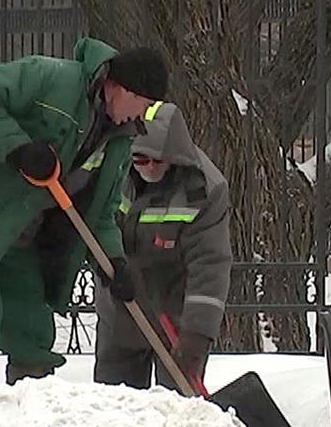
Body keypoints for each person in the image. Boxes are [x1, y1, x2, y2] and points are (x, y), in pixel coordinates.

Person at [0, 37, 169, 385]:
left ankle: (33, 412)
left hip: (25, 229)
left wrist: (115, 263)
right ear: (119, 86)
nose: (141, 115)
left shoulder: (119, 140)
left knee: (32, 332)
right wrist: (18, 149)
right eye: (143, 103)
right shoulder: (52, 79)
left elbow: (101, 211)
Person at [93, 101, 232, 393]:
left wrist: (196, 334)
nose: (151, 167)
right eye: (142, 160)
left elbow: (210, 265)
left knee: (175, 416)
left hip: (176, 320)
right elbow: (94, 226)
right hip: (121, 311)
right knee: (115, 412)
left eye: (161, 159)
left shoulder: (204, 190)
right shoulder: (111, 173)